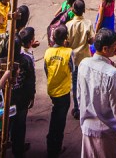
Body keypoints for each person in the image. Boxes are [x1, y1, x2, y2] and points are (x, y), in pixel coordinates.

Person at [77, 28, 116, 158]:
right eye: (114, 45)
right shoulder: (111, 73)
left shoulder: (84, 64)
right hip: (107, 132)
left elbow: (80, 96)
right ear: (105, 49)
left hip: (88, 128)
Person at [45, 25, 74, 158]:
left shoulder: (48, 52)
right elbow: (72, 69)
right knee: (59, 120)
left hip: (52, 89)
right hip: (63, 90)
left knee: (55, 114)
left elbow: (46, 69)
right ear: (65, 38)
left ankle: (51, 143)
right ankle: (55, 147)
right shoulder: (68, 52)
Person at [9, 26, 38, 157]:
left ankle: (9, 141)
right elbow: (30, 80)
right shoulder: (25, 60)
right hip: (21, 99)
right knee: (20, 124)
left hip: (9, 97)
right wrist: (32, 96)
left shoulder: (6, 60)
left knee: (10, 121)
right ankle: (18, 148)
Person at [65, 0, 95, 120]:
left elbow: (66, 43)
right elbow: (92, 40)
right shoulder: (87, 23)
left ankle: (77, 108)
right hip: (85, 58)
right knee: (86, 83)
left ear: (73, 10)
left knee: (75, 83)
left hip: (74, 59)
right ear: (84, 10)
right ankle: (87, 106)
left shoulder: (68, 25)